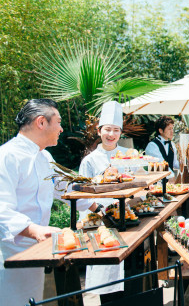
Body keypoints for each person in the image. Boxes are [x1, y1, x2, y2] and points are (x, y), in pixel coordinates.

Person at [0, 99, 97, 306]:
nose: (62, 129)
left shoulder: (45, 157)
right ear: (41, 122)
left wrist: (100, 209)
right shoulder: (6, 156)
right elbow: (1, 209)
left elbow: (66, 188)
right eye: (59, 122)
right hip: (11, 253)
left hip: (41, 251)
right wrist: (33, 229)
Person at [79, 100, 127, 303]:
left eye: (116, 130)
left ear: (120, 133)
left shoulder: (128, 156)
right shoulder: (89, 161)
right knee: (107, 278)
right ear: (99, 131)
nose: (111, 134)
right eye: (107, 129)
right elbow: (81, 195)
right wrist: (95, 214)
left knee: (130, 277)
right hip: (100, 223)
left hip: (128, 219)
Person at [145, 116, 179, 181]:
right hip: (157, 183)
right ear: (160, 130)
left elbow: (175, 163)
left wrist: (187, 165)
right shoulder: (152, 146)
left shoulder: (172, 144)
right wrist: (172, 176)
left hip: (169, 182)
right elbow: (161, 165)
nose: (172, 131)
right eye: (169, 129)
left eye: (172, 128)